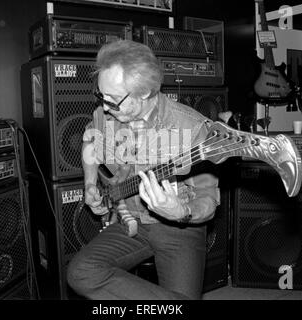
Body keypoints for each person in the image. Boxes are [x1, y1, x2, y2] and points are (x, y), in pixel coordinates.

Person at [66, 40, 220, 300]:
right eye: (101, 96)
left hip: (178, 228)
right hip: (130, 217)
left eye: (113, 100)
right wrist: (90, 184)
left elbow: (208, 200)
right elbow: (90, 141)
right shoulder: (104, 117)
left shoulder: (192, 129)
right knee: (80, 272)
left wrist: (181, 211)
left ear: (145, 93)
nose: (104, 106)